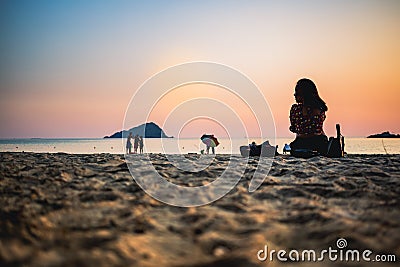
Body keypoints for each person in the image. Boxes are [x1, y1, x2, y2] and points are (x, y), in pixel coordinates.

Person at [289, 78, 328, 155]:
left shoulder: (295, 109)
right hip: (319, 142)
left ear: (304, 94)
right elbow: (317, 130)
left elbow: (294, 128)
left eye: (297, 93)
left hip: (301, 142)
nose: (294, 95)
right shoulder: (320, 108)